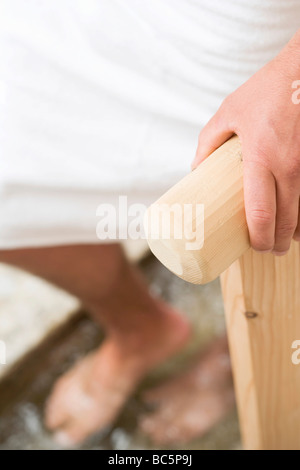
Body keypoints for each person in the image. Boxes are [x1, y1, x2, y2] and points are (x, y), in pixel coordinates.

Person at [0, 0, 299, 447]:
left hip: (254, 43)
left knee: (266, 203)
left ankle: (233, 361)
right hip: (115, 16)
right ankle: (139, 328)